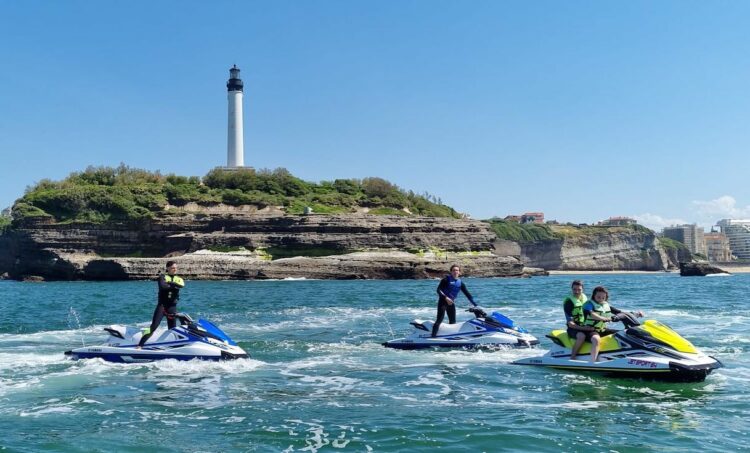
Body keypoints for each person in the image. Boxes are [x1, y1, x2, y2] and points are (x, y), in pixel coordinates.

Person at [582, 286, 643, 362]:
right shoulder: (588, 304)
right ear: (594, 295)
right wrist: (602, 318)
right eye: (598, 297)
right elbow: (592, 314)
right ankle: (592, 362)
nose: (601, 299)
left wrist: (636, 314)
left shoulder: (605, 305)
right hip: (589, 330)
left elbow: (620, 312)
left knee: (622, 334)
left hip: (602, 329)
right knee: (596, 339)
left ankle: (625, 355)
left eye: (603, 297)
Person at [137, 261, 185, 348]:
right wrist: (174, 285)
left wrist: (170, 283)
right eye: (173, 268)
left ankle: (173, 347)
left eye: (176, 268)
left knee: (172, 329)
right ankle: (140, 345)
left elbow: (181, 285)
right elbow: (163, 287)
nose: (175, 269)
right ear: (167, 268)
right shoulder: (162, 277)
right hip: (162, 306)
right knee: (154, 326)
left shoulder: (179, 278)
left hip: (172, 307)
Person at [432, 264, 476, 337]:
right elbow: (438, 290)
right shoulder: (446, 280)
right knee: (439, 320)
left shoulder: (460, 283)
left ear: (459, 272)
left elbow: (468, 295)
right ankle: (432, 337)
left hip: (451, 303)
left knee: (453, 322)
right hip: (443, 302)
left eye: (457, 270)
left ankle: (450, 337)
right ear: (451, 272)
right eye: (454, 270)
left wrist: (476, 305)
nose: (455, 272)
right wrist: (446, 298)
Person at [562, 280, 595, 360]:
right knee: (581, 336)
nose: (576, 292)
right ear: (572, 289)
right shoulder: (569, 302)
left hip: (585, 325)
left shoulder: (585, 299)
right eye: (574, 289)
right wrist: (585, 329)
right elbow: (570, 324)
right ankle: (572, 358)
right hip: (573, 328)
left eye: (579, 289)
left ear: (582, 290)